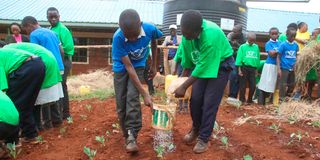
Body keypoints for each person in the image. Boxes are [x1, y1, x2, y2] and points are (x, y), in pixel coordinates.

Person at [173, 10, 234, 153]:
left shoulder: (210, 35)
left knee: (209, 103)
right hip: (202, 65)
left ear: (198, 30)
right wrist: (180, 81)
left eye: (188, 34)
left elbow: (202, 67)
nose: (185, 37)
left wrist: (184, 86)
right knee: (195, 100)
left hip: (221, 65)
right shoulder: (187, 36)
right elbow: (187, 62)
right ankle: (196, 128)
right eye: (184, 33)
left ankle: (204, 138)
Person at [112, 9, 162, 153]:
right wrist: (145, 93)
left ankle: (132, 135)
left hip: (139, 65)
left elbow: (154, 40)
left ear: (140, 24)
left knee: (132, 98)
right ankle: (126, 134)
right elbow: (128, 66)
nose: (133, 40)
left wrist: (153, 64)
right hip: (121, 68)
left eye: (135, 35)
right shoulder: (118, 38)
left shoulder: (150, 28)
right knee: (121, 102)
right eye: (129, 36)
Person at [4, 43, 64, 130]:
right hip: (47, 59)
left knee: (33, 97)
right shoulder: (10, 49)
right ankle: (51, 122)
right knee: (37, 96)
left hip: (42, 61)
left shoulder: (5, 53)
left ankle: (40, 125)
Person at [21, 16, 65, 129]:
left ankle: (47, 124)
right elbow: (62, 51)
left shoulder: (34, 35)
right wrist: (59, 63)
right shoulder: (51, 32)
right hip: (58, 66)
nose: (26, 33)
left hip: (46, 67)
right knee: (55, 94)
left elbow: (35, 55)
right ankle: (57, 120)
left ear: (29, 25)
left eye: (25, 30)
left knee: (44, 95)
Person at [0, 48, 45, 142]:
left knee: (14, 104)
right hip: (38, 65)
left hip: (26, 68)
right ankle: (30, 134)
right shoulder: (4, 52)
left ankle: (13, 141)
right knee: (27, 103)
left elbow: (2, 89)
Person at [47, 7, 75, 119]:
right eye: (51, 17)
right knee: (56, 87)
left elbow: (68, 47)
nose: (53, 19)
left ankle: (66, 113)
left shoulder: (63, 30)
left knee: (62, 86)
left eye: (55, 17)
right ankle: (57, 113)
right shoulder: (49, 29)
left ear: (59, 17)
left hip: (64, 61)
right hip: (54, 63)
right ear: (47, 18)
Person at [258, 27, 281, 105]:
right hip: (270, 66)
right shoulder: (268, 43)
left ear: (278, 34)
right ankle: (261, 102)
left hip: (277, 66)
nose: (274, 35)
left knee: (274, 85)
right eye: (272, 34)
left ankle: (271, 102)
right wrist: (278, 51)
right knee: (265, 84)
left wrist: (276, 52)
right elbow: (271, 54)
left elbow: (278, 53)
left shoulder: (280, 43)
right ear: (270, 35)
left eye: (276, 34)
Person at [236, 32, 261, 104]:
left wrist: (256, 69)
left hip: (253, 69)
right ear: (247, 39)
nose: (252, 42)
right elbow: (239, 58)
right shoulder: (242, 47)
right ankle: (242, 100)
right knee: (242, 85)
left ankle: (250, 100)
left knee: (253, 85)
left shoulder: (256, 47)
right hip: (244, 67)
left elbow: (257, 58)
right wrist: (239, 69)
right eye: (251, 40)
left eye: (254, 40)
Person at [277, 29, 299, 102]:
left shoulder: (296, 45)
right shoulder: (283, 45)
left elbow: (296, 55)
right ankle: (281, 99)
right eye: (291, 36)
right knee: (283, 84)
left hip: (292, 68)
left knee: (292, 84)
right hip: (284, 67)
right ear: (287, 36)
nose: (293, 38)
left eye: (294, 36)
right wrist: (279, 68)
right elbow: (278, 57)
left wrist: (296, 64)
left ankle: (288, 97)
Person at [227, 24, 246, 100]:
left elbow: (244, 48)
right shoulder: (230, 35)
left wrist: (236, 44)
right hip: (231, 57)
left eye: (235, 31)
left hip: (240, 58)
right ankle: (230, 95)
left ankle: (234, 96)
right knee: (233, 75)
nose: (232, 32)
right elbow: (227, 45)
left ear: (239, 32)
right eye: (232, 30)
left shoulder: (244, 38)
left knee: (237, 77)